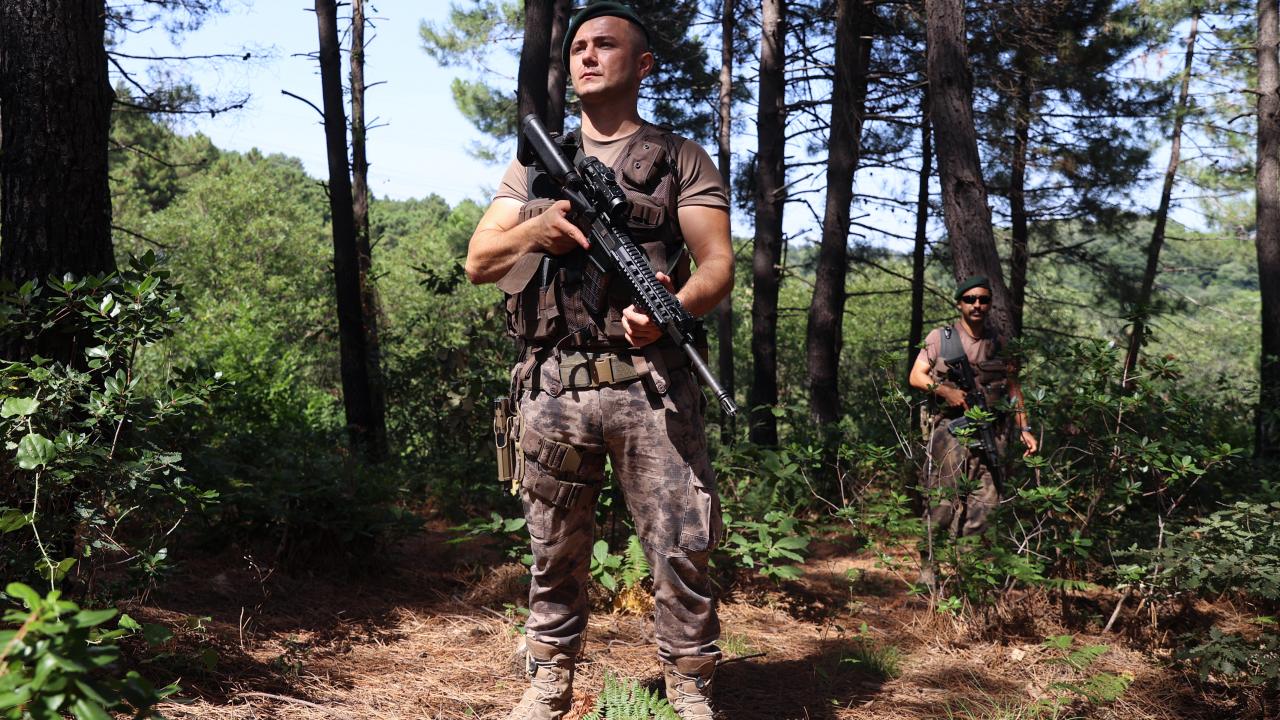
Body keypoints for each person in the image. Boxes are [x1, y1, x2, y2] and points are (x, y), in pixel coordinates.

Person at [464, 3, 734, 718]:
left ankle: (689, 686)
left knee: (680, 544)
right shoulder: (535, 163)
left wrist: (672, 309)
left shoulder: (679, 157)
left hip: (650, 385)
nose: (585, 55)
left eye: (604, 44)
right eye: (577, 46)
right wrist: (537, 230)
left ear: (642, 65)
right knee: (552, 547)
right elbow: (479, 260)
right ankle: (548, 681)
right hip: (554, 385)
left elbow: (717, 265)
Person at [907, 276, 1038, 584]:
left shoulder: (1000, 344)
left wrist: (1024, 428)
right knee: (942, 502)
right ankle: (929, 570)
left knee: (985, 504)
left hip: (992, 431)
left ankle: (970, 575)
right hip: (950, 431)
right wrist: (946, 392)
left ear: (990, 304)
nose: (977, 305)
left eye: (983, 299)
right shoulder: (942, 338)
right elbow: (916, 376)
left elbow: (1013, 389)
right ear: (959, 303)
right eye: (970, 299)